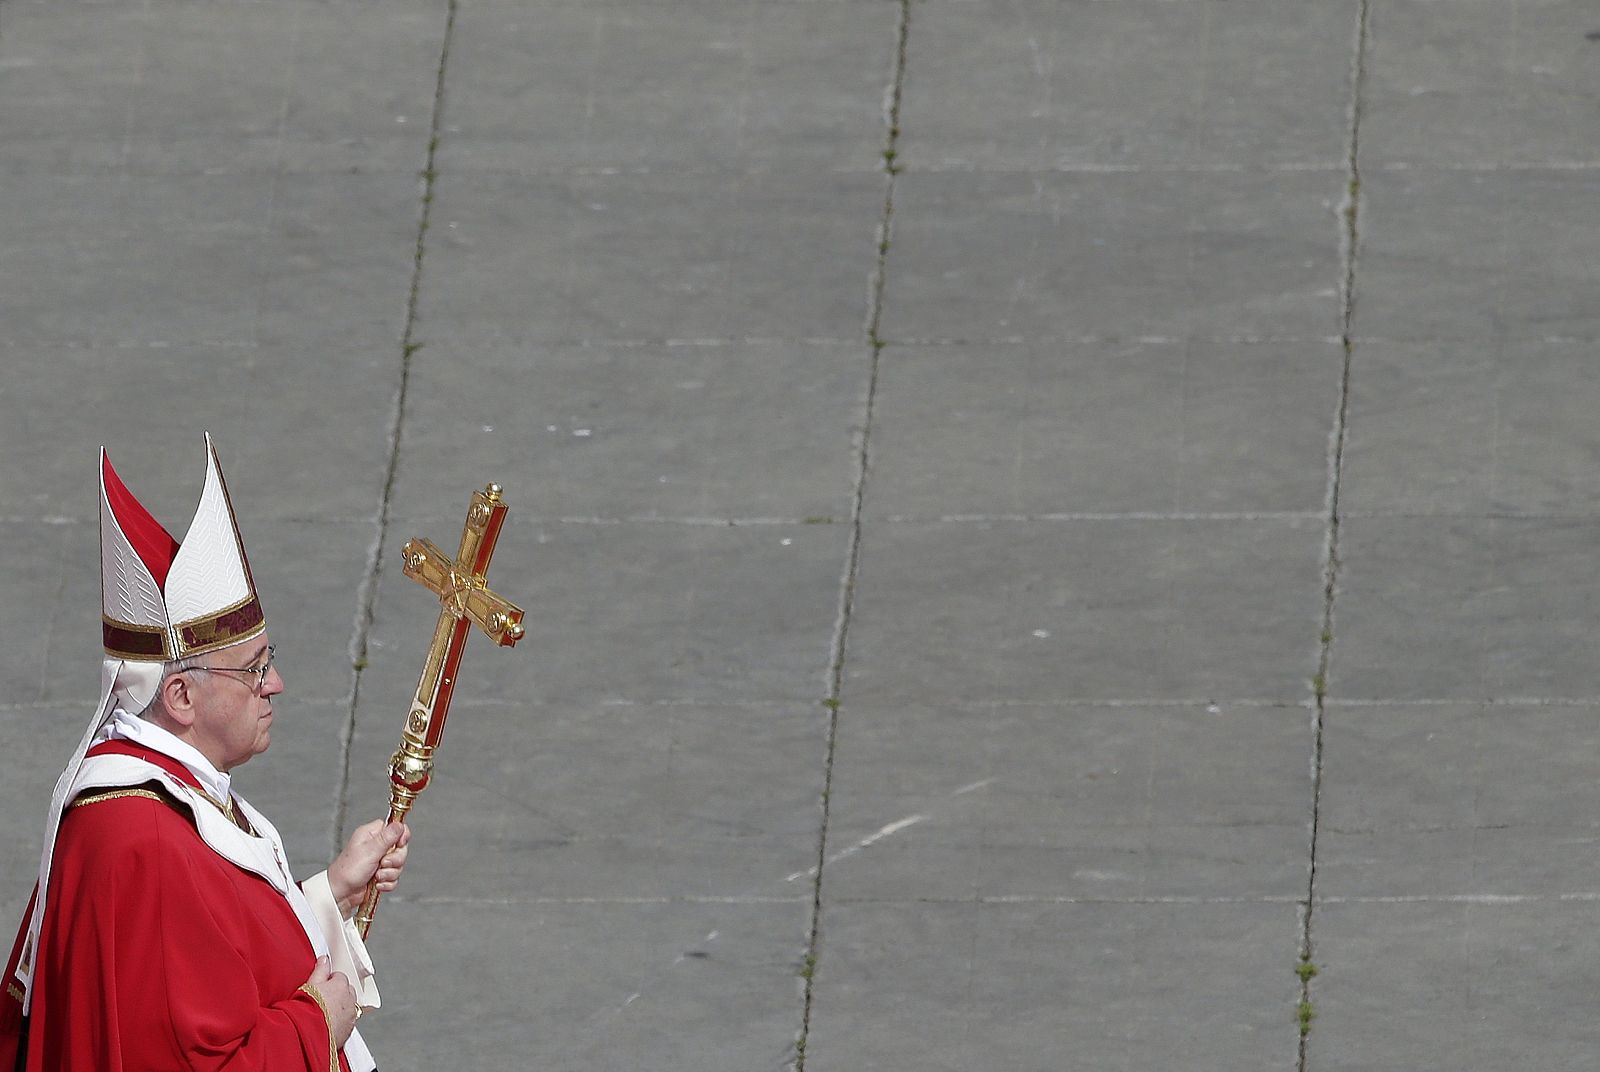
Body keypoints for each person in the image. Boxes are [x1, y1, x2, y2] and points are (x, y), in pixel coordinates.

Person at [0, 436, 407, 1072]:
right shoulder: (144, 842)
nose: (274, 685)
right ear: (182, 695)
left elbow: (217, 955)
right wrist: (316, 1023)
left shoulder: (169, 791)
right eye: (253, 669)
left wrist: (331, 893)